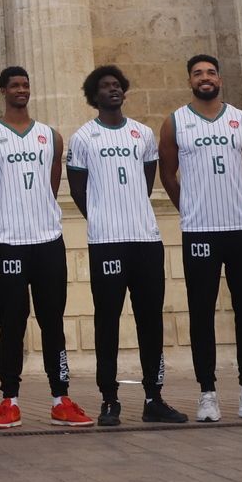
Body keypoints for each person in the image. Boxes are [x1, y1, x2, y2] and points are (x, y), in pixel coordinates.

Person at [158, 54, 242, 422]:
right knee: (201, 313)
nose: (205, 77)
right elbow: (167, 175)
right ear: (190, 80)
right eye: (197, 73)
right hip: (199, 231)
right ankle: (207, 393)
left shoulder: (239, 119)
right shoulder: (175, 122)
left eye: (211, 72)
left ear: (220, 79)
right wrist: (191, 209)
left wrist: (237, 201)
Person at [0, 65, 92, 429]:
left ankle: (61, 398)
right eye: (14, 85)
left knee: (53, 321)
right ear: (3, 90)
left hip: (48, 241)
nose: (21, 90)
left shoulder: (50, 137)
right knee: (12, 322)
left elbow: (51, 186)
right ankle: (9, 400)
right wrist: (5, 223)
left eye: (25, 84)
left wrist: (37, 216)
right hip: (10, 244)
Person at [66, 65, 186, 427]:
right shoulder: (83, 137)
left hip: (146, 240)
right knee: (107, 322)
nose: (113, 90)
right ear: (94, 95)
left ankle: (154, 397)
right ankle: (109, 399)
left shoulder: (143, 134)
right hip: (106, 242)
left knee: (151, 321)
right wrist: (102, 216)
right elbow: (77, 189)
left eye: (117, 85)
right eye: (105, 86)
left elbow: (147, 180)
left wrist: (131, 210)